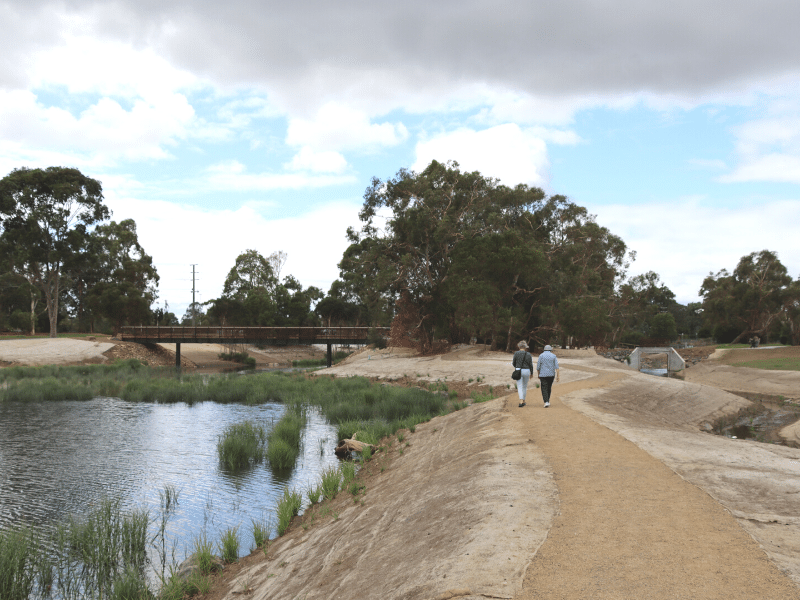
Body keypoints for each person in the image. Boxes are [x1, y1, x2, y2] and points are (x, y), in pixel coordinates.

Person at [512, 341, 534, 407]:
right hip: (527, 371)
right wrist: (531, 373)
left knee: (519, 386)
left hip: (518, 370)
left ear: (519, 346)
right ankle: (524, 400)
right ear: (525, 347)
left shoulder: (516, 353)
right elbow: (531, 364)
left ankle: (521, 400)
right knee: (524, 386)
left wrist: (517, 367)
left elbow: (513, 363)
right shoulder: (528, 354)